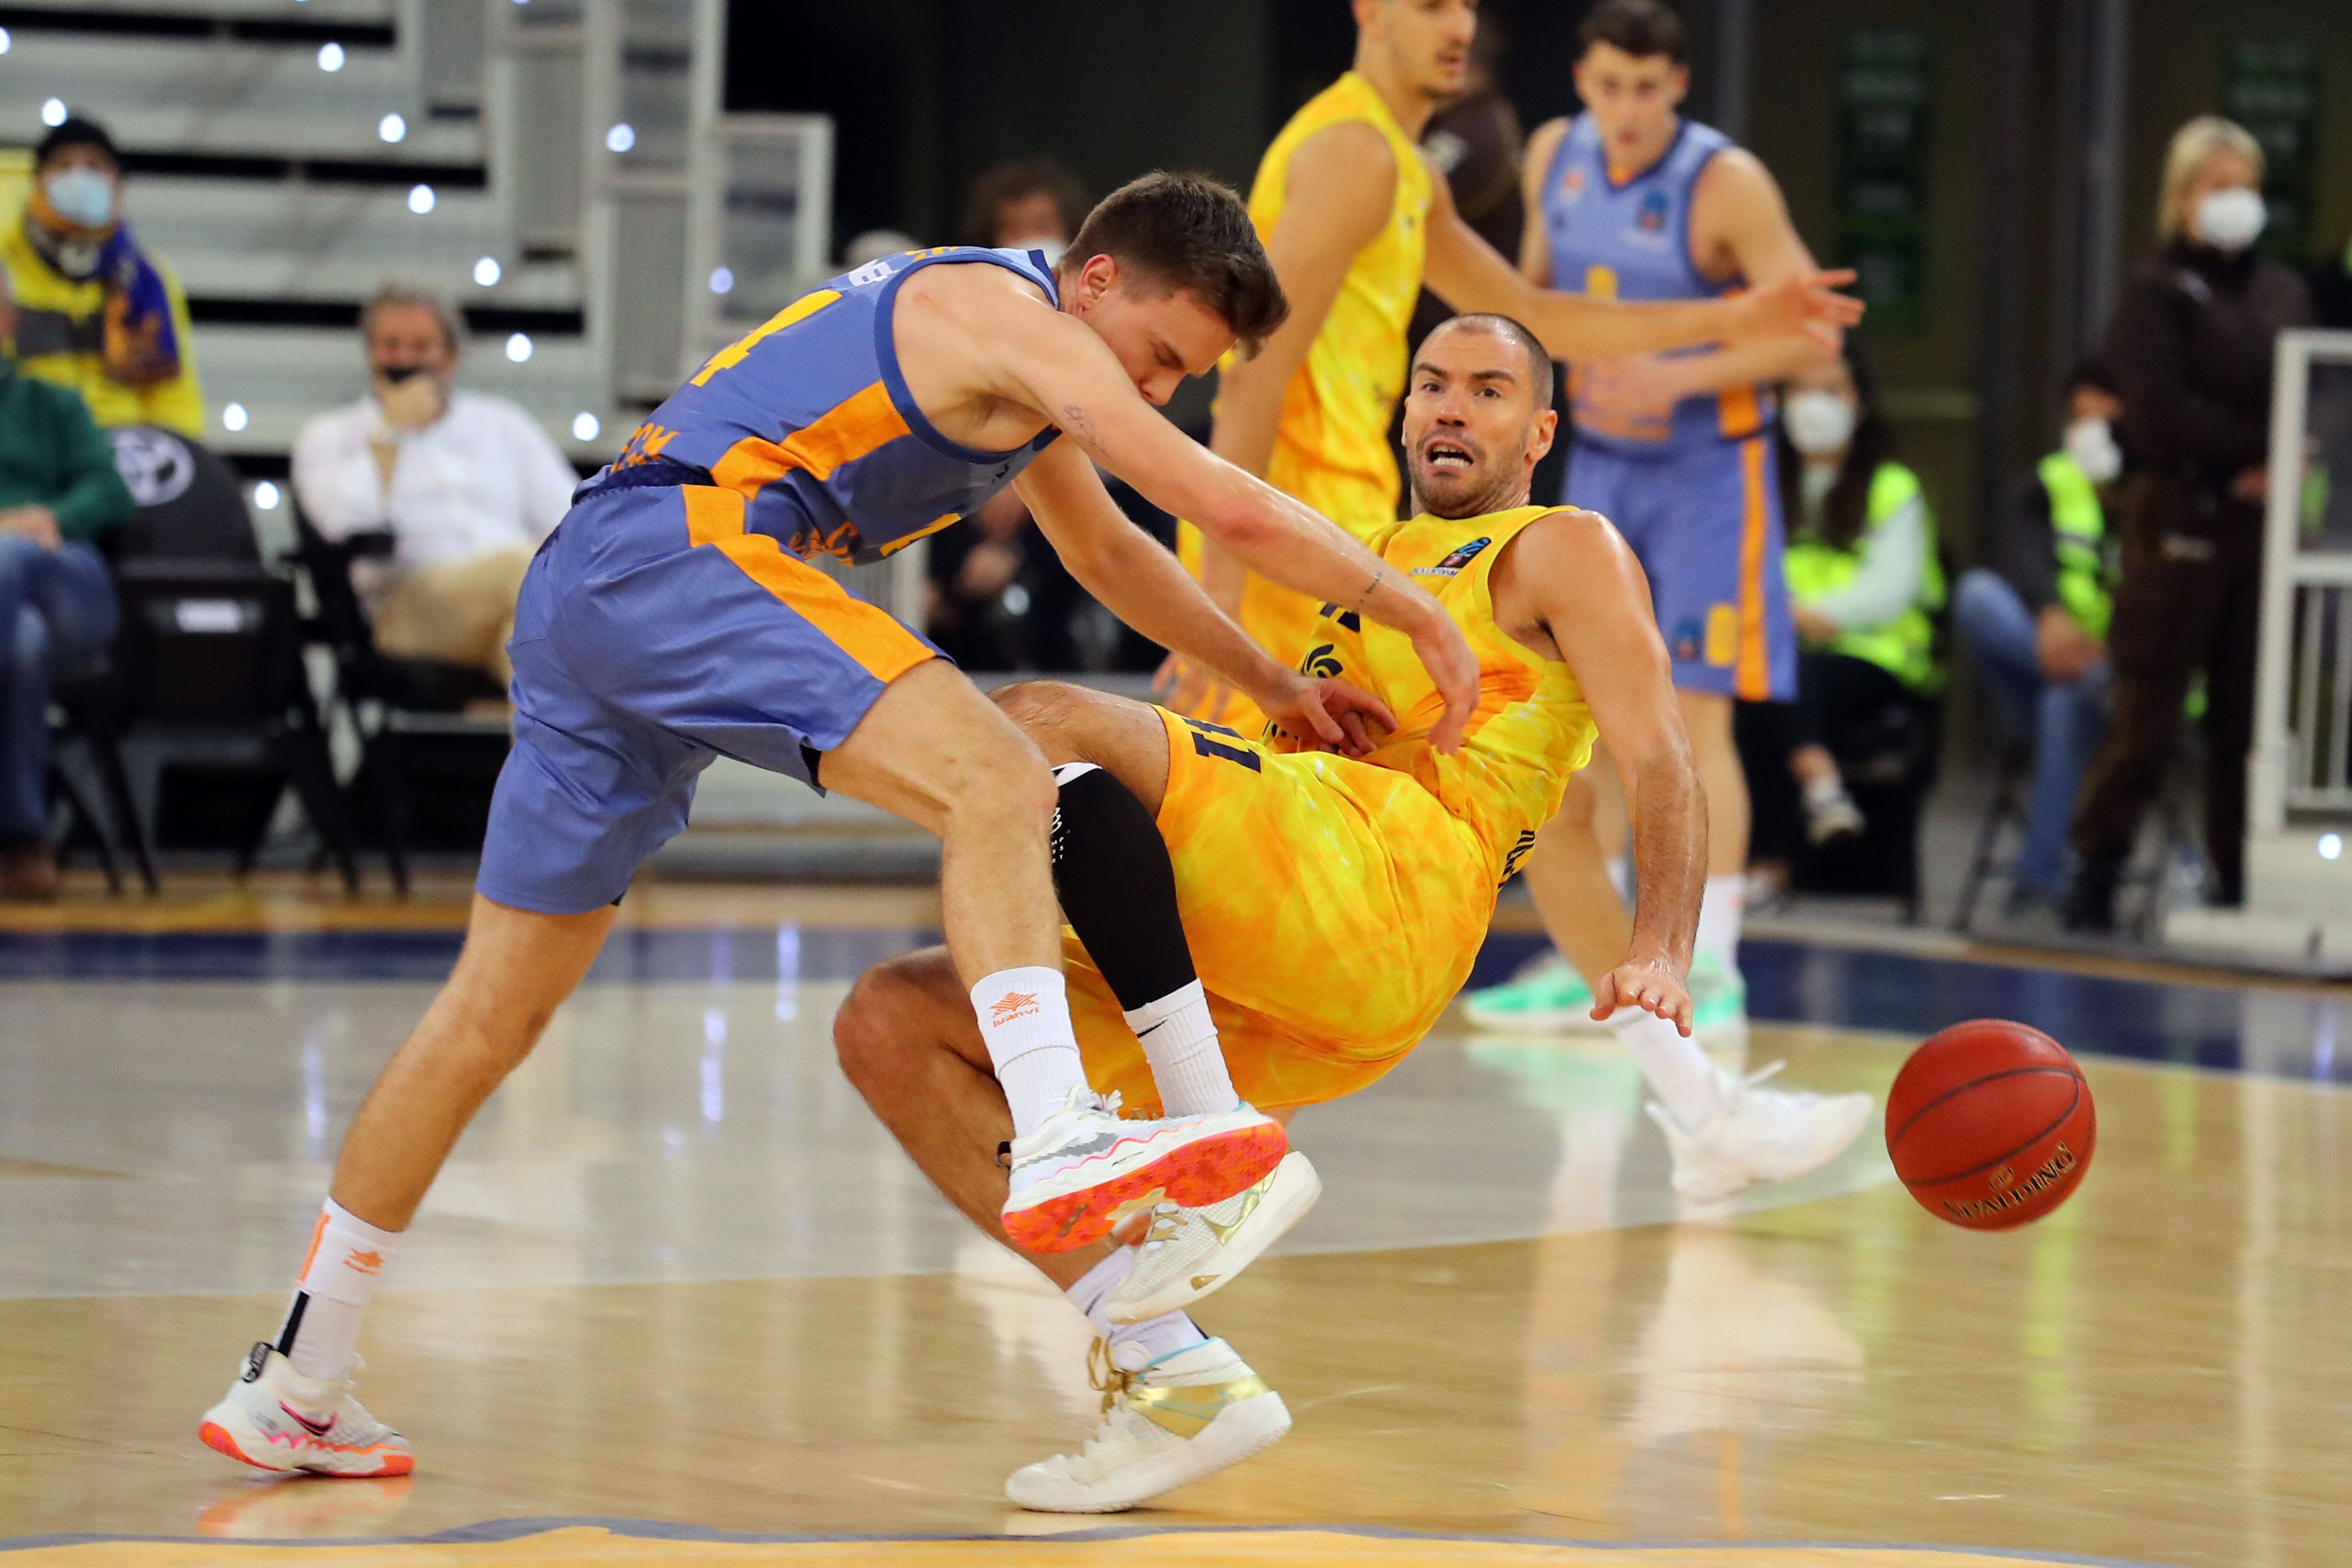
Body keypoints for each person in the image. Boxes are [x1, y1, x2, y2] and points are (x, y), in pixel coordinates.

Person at [194, 172, 1487, 1481]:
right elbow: (1212, 497)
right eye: (1160, 358)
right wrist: (1411, 605)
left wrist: (1270, 684)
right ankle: (1061, 1126)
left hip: (593, 592)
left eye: (1179, 378)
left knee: (491, 1015)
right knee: (1001, 771)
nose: (1156, 392)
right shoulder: (1005, 306)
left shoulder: (1030, 368)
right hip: (679, 552)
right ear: (1097, 281)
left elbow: (1111, 556)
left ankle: (297, 1375)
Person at [833, 313, 1872, 1514]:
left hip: (1400, 881)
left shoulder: (1562, 545)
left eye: (1487, 392)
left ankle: (1199, 1135)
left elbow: (1662, 762)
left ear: (1539, 432)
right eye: (1432, 383)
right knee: (891, 1024)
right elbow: (1183, 630)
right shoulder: (1367, 561)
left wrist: (1661, 947)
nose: (1447, 407)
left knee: (1041, 724)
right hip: (1300, 958)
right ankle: (1171, 1377)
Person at [1153, 0, 1862, 733]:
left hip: (1347, 535)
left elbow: (1534, 314)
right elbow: (1250, 380)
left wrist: (1731, 319)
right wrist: (1218, 605)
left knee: (1490, 770)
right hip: (1289, 548)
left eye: (1466, 6)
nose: (1459, 27)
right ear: (1370, 11)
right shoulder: (1354, 153)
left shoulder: (1404, 167)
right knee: (1335, 803)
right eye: (1432, 7)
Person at [1464, 0, 1839, 1038]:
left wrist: (1683, 378)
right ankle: (1597, 945)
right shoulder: (1552, 155)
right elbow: (1533, 301)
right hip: (1603, 475)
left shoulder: (1727, 184)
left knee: (1697, 715)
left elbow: (1813, 342)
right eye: (1608, 87)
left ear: (1677, 86)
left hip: (1712, 478)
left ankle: (1708, 961)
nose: (1625, 110)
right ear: (1581, 82)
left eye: (1646, 89)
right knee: (1584, 716)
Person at [2066, 117, 2313, 930]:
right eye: (2219, 187)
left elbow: (2323, 387)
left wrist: (2297, 450)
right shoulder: (2155, 292)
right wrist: (2264, 443)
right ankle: (2097, 870)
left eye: (2246, 186)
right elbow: (2162, 415)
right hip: (2178, 523)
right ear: (2181, 197)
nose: (2236, 203)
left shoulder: (2280, 292)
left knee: (2249, 715)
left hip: (2261, 533)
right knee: (2150, 710)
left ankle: (2237, 873)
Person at [291, 286, 578, 683]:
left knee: (528, 655)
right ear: (371, 354)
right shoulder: (333, 434)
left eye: (421, 346)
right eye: (390, 346)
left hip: (507, 605)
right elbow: (340, 524)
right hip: (405, 608)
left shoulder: (503, 424)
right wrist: (390, 433)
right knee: (526, 571)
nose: (405, 360)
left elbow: (570, 517)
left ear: (451, 358)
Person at [1737, 342, 1942, 892]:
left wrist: (1806, 616)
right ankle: (1818, 791)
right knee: (1764, 683)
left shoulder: (1892, 487)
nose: (1814, 405)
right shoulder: (1755, 482)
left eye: (1831, 391)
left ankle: (1770, 863)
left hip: (1872, 658)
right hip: (1778, 651)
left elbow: (1891, 591)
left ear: (1860, 403)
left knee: (1779, 678)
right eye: (1801, 390)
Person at [1953, 360, 2125, 913]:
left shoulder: (2156, 491)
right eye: (2080, 419)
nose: (2091, 435)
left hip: (2123, 682)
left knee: (2063, 705)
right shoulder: (2045, 485)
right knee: (1978, 596)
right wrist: (2049, 618)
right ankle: (2043, 879)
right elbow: (2022, 559)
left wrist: (2106, 649)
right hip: (2047, 661)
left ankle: (2037, 879)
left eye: (2106, 421)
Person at [0, 270, 135, 900]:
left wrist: (49, 519)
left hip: (64, 583)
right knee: (17, 642)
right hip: (19, 617)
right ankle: (22, 836)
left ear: (8, 320)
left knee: (6, 555)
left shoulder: (51, 403)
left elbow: (110, 490)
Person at [929, 161, 1095, 670]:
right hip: (965, 494)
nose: (1031, 239)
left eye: (1043, 223)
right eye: (1014, 226)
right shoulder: (951, 318)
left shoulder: (1092, 325)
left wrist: (1023, 482)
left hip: (1052, 511)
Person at [0, 113, 202, 438]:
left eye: (94, 167)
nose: (79, 177)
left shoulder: (148, 279)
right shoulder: (5, 268)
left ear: (118, 187)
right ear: (37, 181)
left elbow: (173, 396)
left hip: (123, 455)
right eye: (63, 166)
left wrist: (182, 458)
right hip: (29, 451)